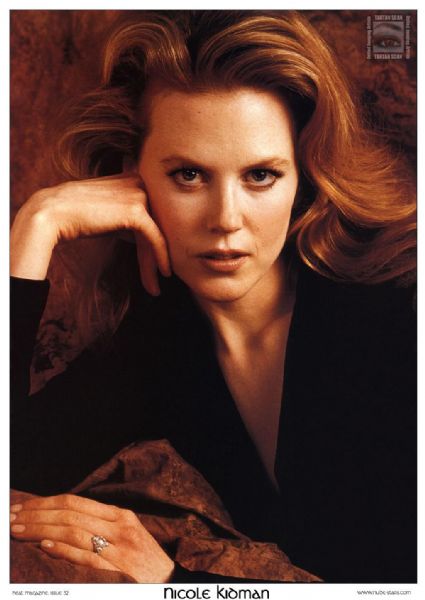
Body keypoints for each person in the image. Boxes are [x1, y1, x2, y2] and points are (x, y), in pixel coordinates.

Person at [10, 10, 416, 584]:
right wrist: (35, 227)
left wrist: (173, 584)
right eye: (189, 175)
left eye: (260, 175)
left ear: (304, 178)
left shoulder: (401, 314)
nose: (226, 219)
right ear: (131, 177)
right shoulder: (159, 343)